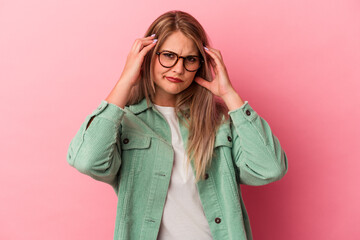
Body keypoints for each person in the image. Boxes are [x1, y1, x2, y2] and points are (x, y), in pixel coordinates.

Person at [67, 10, 288, 240]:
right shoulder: (125, 122)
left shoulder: (219, 121)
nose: (179, 69)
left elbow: (270, 168)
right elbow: (87, 161)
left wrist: (230, 95)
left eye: (190, 59)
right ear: (147, 56)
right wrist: (125, 81)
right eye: (168, 55)